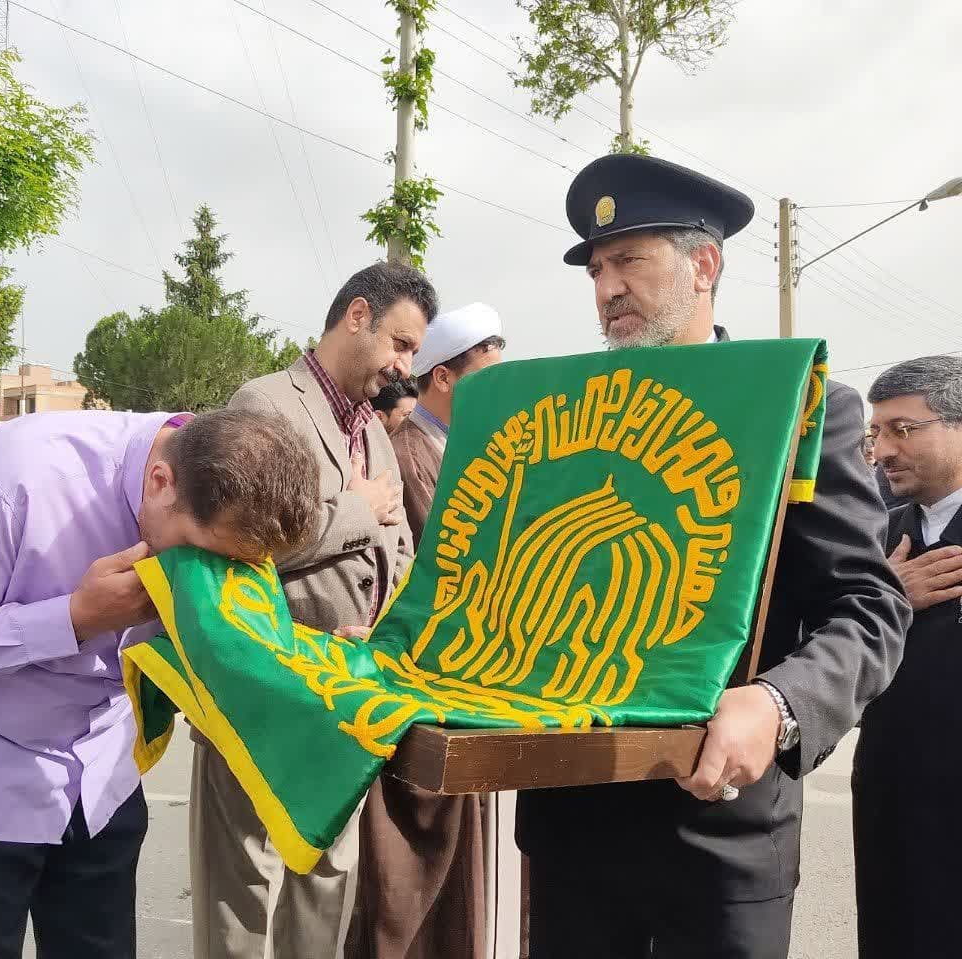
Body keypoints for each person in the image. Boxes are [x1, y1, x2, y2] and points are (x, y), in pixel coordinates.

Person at [515, 153, 911, 958]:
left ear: (705, 264)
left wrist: (777, 703)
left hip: (722, 838)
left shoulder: (796, 409)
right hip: (570, 837)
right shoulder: (559, 420)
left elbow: (870, 609)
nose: (606, 288)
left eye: (628, 259)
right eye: (596, 268)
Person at [0, 407, 321, 959]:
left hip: (104, 783)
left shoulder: (221, 499)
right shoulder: (15, 475)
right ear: (160, 481)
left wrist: (309, 657)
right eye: (197, 556)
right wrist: (72, 619)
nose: (203, 574)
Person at [190, 261, 437, 959]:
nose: (404, 365)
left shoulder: (377, 431)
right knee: (244, 896)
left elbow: (401, 554)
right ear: (357, 315)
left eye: (414, 351)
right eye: (400, 342)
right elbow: (238, 543)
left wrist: (392, 624)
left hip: (345, 705)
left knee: (326, 890)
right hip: (264, 700)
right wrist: (356, 508)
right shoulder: (264, 404)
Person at [350, 302, 516, 959]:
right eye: (486, 375)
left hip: (476, 693)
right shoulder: (409, 451)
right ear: (443, 379)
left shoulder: (467, 449)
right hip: (425, 697)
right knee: (414, 893)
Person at [855, 356, 962, 958]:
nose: (884, 449)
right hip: (891, 796)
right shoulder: (873, 538)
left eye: (904, 428)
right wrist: (885, 596)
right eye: (877, 432)